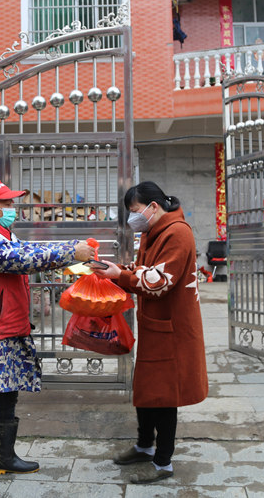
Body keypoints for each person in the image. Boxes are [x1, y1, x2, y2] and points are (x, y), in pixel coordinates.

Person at [0, 179, 96, 498]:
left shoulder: (4, 233)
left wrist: (74, 261)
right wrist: (70, 250)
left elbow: (25, 252)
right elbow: (21, 259)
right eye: (7, 203)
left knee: (8, 392)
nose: (12, 208)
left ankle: (3, 457)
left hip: (11, 326)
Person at [92, 181, 208, 484]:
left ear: (152, 207)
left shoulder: (178, 233)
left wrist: (122, 275)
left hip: (173, 329)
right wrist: (115, 269)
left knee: (165, 395)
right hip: (156, 327)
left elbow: (158, 281)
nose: (134, 218)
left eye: (135, 211)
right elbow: (140, 266)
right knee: (146, 391)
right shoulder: (153, 232)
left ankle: (163, 463)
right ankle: (144, 446)